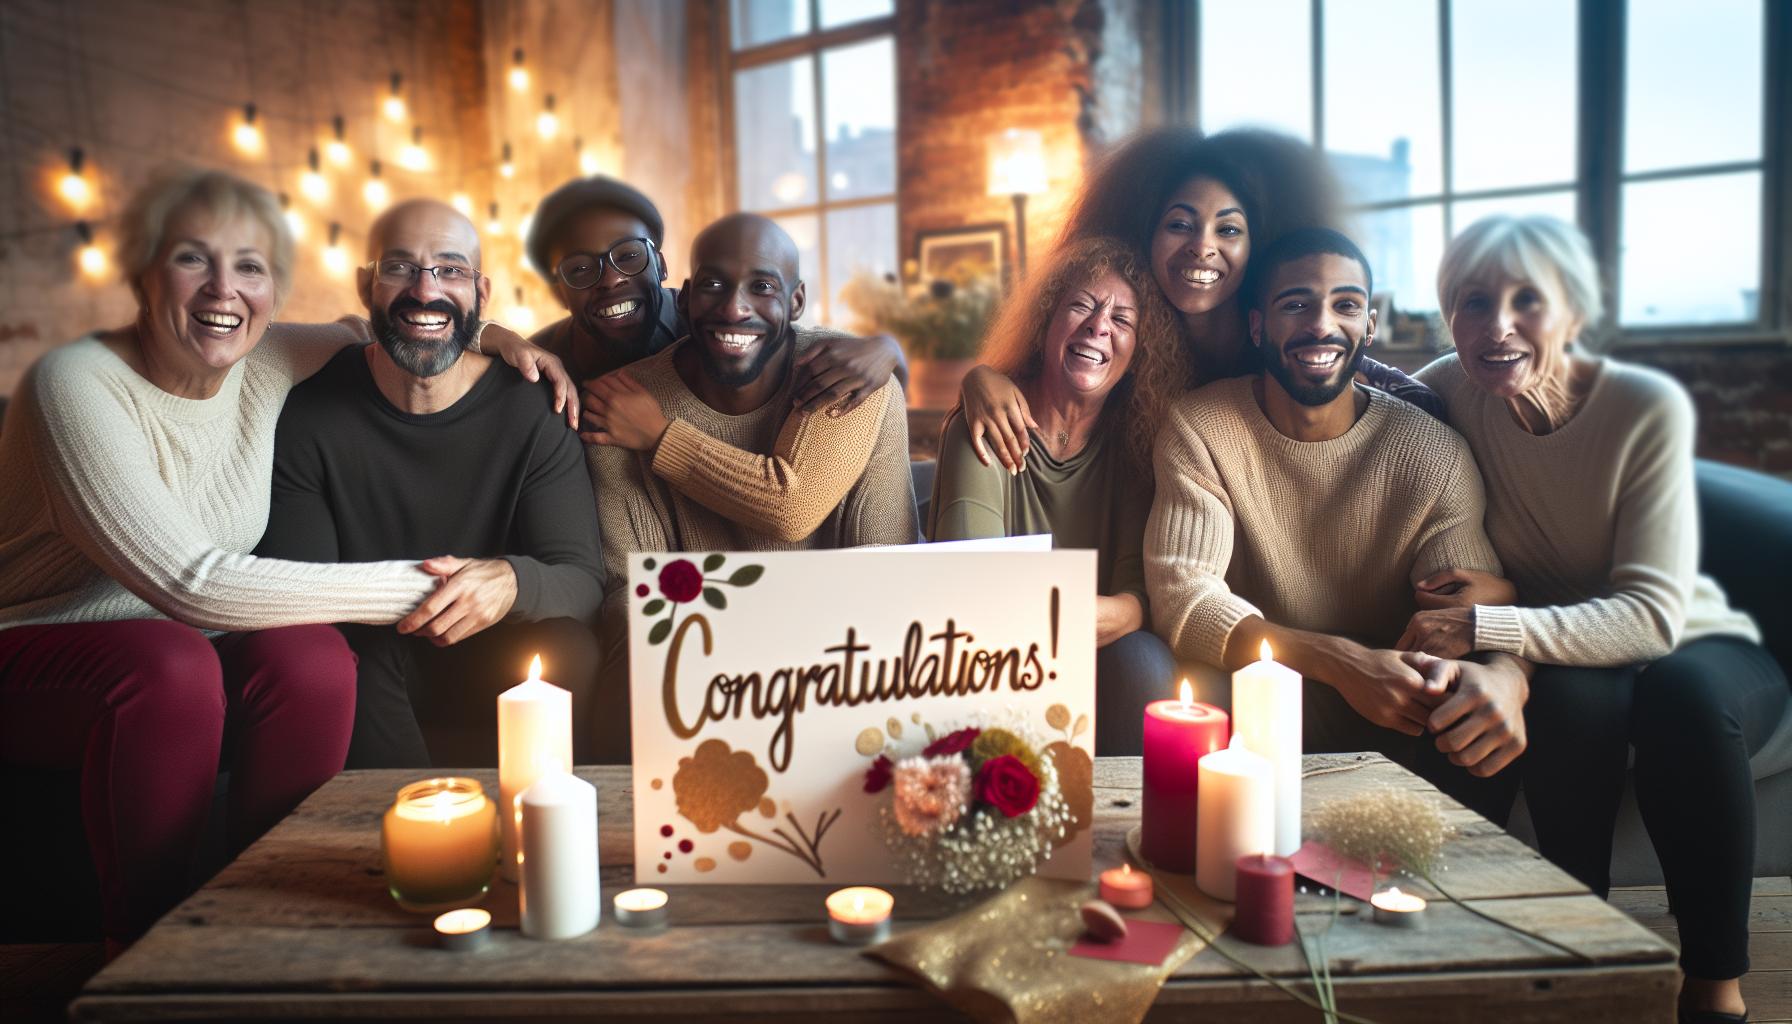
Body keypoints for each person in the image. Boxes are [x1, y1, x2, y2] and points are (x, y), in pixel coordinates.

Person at [0, 169, 567, 945]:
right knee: (171, 666)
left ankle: (274, 907)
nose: (222, 291)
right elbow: (188, 585)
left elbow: (387, 327)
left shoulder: (268, 360)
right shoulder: (76, 385)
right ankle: (158, 944)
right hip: (38, 647)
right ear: (141, 274)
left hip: (187, 641)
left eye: (250, 268)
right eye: (192, 260)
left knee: (314, 660)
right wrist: (439, 587)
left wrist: (500, 339)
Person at [1404, 215, 1786, 1023]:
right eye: (1473, 302)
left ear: (1574, 310)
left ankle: (1717, 989)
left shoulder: (1644, 407)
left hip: (1698, 645)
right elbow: (1354, 388)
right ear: (1448, 316)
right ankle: (1583, 951)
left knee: (1679, 692)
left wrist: (1494, 624)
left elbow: (1650, 619)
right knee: (1576, 697)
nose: (1496, 327)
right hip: (1575, 660)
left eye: (1527, 300)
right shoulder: (1448, 388)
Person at [1146, 227, 1530, 821]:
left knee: (1466, 698)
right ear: (1257, 327)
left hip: (1398, 700)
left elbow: (1468, 612)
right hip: (1263, 689)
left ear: (1368, 326)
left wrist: (1508, 675)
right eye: (1295, 304)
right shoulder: (1202, 427)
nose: (1321, 325)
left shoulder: (1432, 452)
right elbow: (1185, 599)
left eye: (1345, 305)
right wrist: (1344, 664)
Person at [257, 199, 605, 769]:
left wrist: (513, 582)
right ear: (366, 284)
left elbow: (582, 582)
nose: (425, 291)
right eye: (399, 268)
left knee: (570, 645)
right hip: (374, 657)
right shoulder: (310, 414)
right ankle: (405, 835)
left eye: (450, 270)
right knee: (345, 654)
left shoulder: (535, 408)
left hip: (499, 654)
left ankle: (542, 830)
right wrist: (428, 592)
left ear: (481, 294)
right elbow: (305, 593)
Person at [957, 127, 1439, 472]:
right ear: (1144, 238)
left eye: (1228, 229)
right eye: (1179, 225)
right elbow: (1049, 389)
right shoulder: (1117, 342)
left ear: (1256, 248)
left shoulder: (1280, 339)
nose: (1202, 247)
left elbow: (1398, 395)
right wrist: (983, 378)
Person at [929, 237, 1183, 754]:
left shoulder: (1137, 446)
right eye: (1082, 306)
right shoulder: (986, 422)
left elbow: (1140, 594)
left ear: (1137, 354)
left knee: (1144, 663)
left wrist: (1125, 612)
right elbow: (970, 587)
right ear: (1047, 323)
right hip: (990, 661)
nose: (1099, 326)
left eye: (1122, 321)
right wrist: (1088, 613)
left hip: (1098, 659)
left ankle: (1125, 819)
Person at [524, 174, 907, 418]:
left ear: (660, 265)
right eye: (579, 269)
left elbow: (794, 339)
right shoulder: (538, 370)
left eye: (628, 256)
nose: (609, 280)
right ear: (560, 293)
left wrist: (888, 349)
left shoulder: (710, 318)